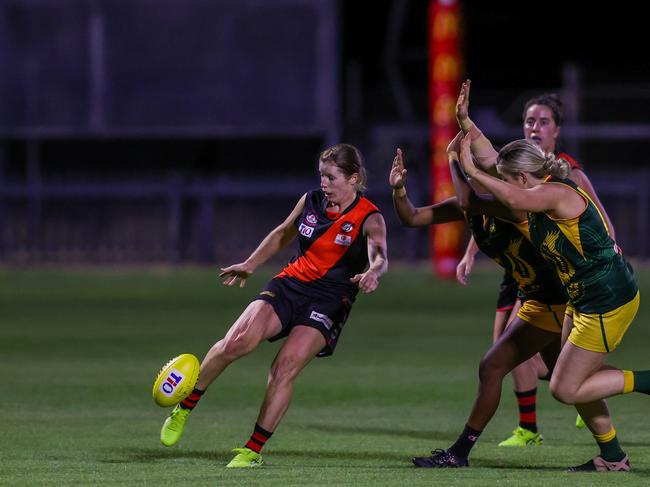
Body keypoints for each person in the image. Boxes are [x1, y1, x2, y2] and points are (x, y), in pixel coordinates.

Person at [159, 143, 388, 468]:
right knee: (237, 342)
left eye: (331, 177)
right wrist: (251, 264)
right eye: (322, 176)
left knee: (284, 368)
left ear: (353, 178)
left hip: (330, 299)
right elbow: (283, 232)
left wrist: (374, 271)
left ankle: (251, 451)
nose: (324, 183)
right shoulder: (311, 200)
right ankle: (184, 407)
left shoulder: (369, 216)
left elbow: (380, 252)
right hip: (291, 284)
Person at [454, 133, 650, 471]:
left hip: (607, 299)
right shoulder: (532, 186)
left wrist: (471, 169)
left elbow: (509, 192)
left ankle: (644, 381)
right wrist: (467, 125)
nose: (500, 181)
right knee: (578, 382)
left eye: (506, 177)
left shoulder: (555, 191)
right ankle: (614, 458)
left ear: (521, 177)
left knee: (565, 389)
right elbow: (494, 163)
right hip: (582, 297)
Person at [391, 135, 584, 470]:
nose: (492, 176)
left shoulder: (512, 206)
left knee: (492, 366)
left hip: (554, 301)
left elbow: (466, 197)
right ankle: (614, 447)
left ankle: (459, 454)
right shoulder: (474, 207)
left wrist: (453, 157)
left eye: (489, 171)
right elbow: (412, 217)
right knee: (565, 380)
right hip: (537, 300)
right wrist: (399, 190)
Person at [454, 80, 616, 444]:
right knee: (516, 359)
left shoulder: (562, 181)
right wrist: (466, 122)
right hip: (527, 272)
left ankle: (577, 405)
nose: (534, 127)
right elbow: (491, 193)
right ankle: (547, 423)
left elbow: (487, 190)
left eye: (543, 121)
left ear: (557, 130)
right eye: (530, 121)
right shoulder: (517, 171)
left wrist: (462, 164)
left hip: (563, 281)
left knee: (545, 371)